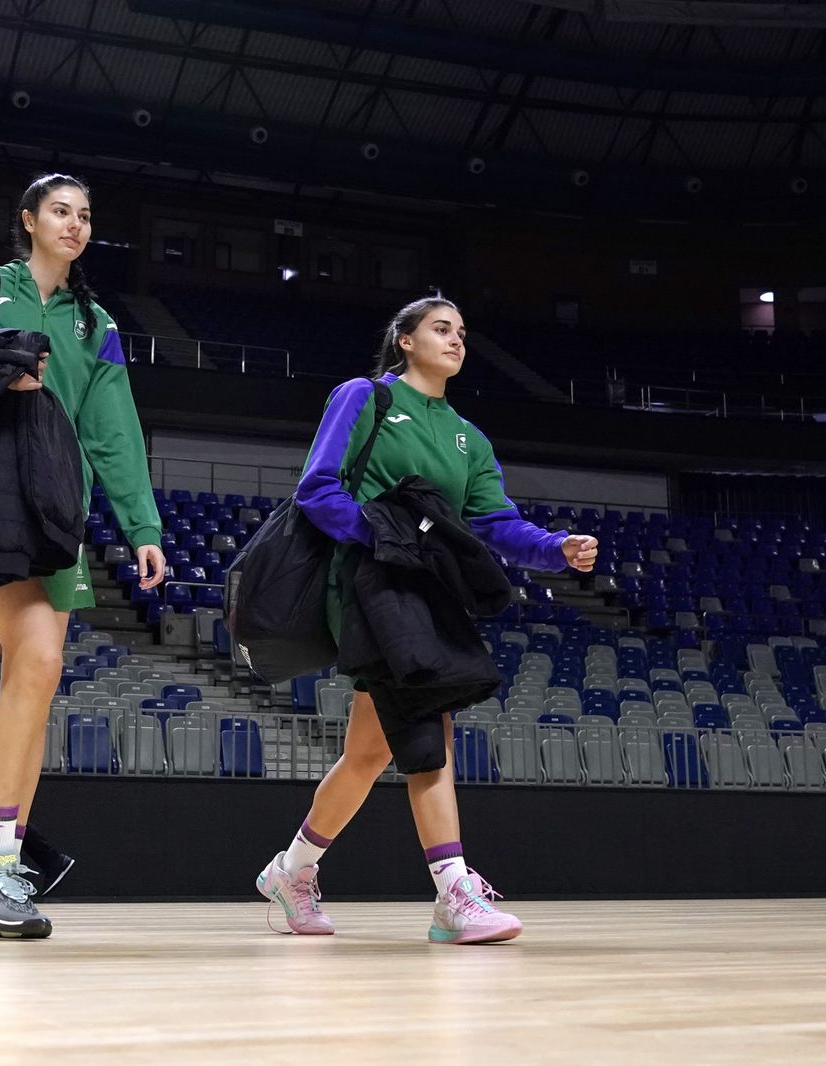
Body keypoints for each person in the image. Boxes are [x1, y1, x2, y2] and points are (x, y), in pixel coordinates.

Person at [254, 295, 599, 945]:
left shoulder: (468, 436)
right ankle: (453, 892)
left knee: (367, 753)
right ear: (405, 340)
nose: (456, 340)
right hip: (367, 582)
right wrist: (381, 538)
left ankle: (291, 871)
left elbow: (496, 523)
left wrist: (555, 548)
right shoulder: (365, 398)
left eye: (463, 332)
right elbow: (318, 488)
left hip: (425, 591)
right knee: (428, 728)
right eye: (442, 328)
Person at [0, 173, 165, 939]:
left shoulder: (96, 325)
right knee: (40, 655)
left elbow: (113, 431)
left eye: (86, 214)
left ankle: (2, 866)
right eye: (61, 210)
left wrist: (141, 525)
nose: (76, 224)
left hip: (55, 510)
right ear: (27, 220)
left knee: (41, 669)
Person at [0, 638, 75, 897]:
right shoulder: (9, 675)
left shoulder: (24, 673)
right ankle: (42, 863)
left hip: (11, 752)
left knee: (9, 820)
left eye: (1, 639)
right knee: (6, 819)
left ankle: (49, 861)